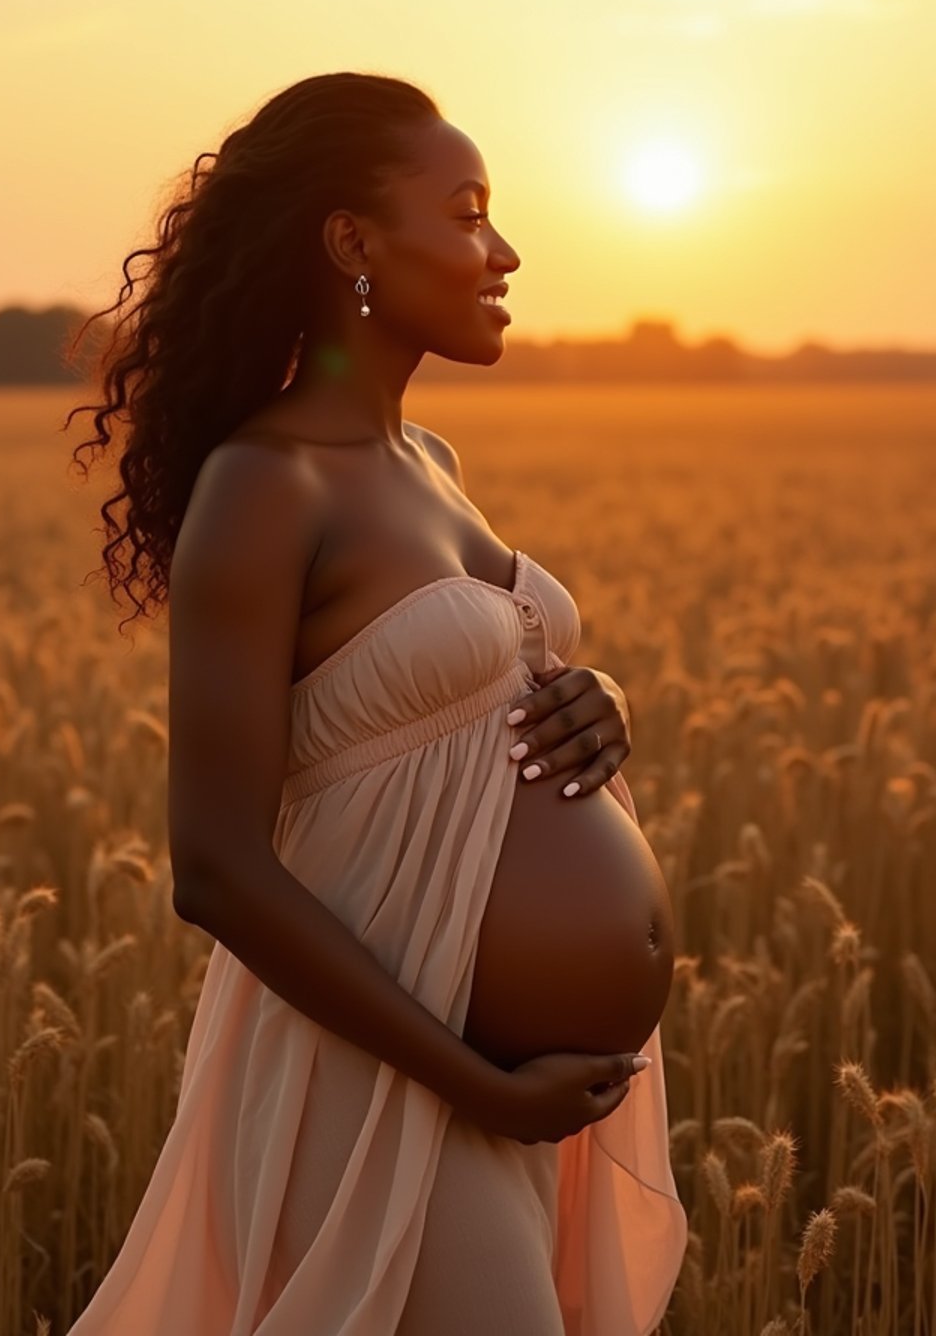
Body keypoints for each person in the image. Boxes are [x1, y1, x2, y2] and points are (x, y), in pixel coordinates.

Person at [62, 71, 686, 1334]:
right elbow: (217, 867)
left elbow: (479, 691)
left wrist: (598, 698)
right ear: (352, 241)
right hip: (382, 1083)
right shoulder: (266, 485)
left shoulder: (432, 466)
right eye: (465, 215)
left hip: (509, 1087)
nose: (502, 251)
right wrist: (472, 1083)